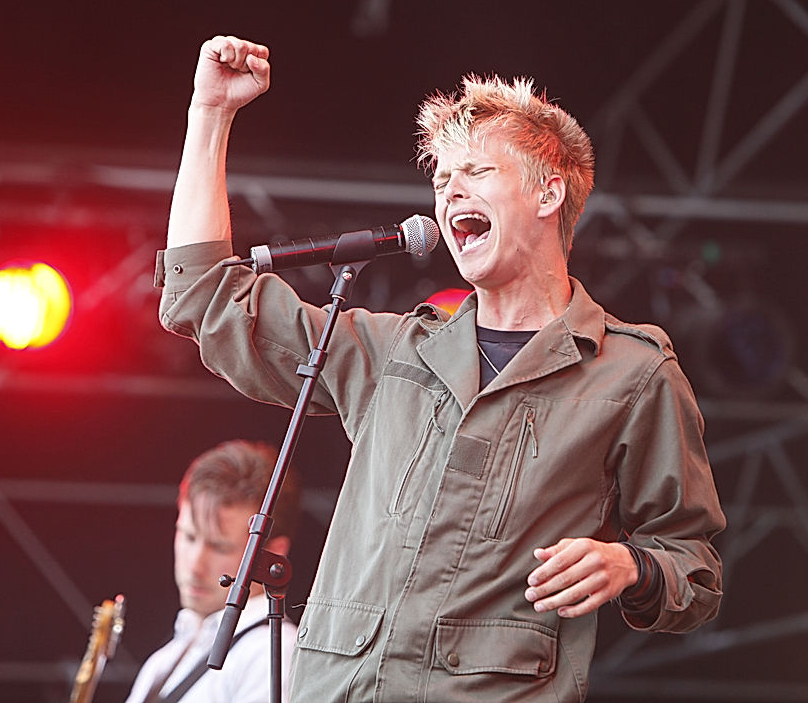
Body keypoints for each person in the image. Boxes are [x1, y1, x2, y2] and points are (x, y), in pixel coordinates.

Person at [154, 35, 726, 702]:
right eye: (440, 178)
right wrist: (209, 115)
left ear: (549, 193)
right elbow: (206, 296)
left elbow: (697, 569)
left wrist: (632, 565)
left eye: (475, 172)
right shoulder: (393, 352)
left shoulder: (631, 372)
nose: (448, 191)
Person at [124, 439, 301, 703]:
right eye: (189, 537)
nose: (196, 565)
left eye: (219, 547)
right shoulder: (164, 659)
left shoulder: (273, 654)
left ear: (274, 555)